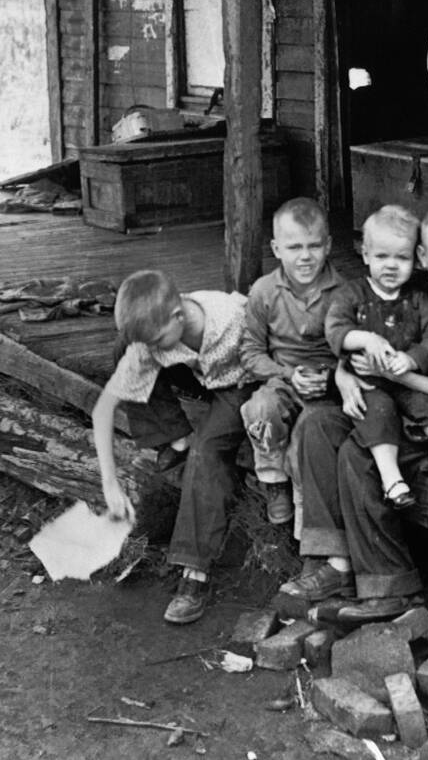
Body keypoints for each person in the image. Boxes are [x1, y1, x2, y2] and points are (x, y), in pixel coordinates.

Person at [295, 199, 428, 622]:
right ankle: (334, 560)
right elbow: (355, 332)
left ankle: (391, 586)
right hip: (393, 404)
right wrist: (343, 374)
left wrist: (395, 375)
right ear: (422, 258)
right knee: (319, 423)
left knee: (357, 455)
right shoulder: (410, 288)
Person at [91, 269, 254, 626]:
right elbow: (103, 409)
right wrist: (109, 482)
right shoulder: (158, 337)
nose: (150, 349)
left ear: (179, 315)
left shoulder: (236, 321)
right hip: (196, 372)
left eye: (158, 340)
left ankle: (193, 573)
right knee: (126, 352)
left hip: (240, 380)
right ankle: (173, 435)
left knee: (208, 449)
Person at [325, 205, 428, 511]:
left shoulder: (419, 299)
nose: (391, 266)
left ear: (415, 258)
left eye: (401, 257)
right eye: (382, 257)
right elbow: (335, 330)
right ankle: (392, 479)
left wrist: (412, 359)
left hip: (403, 376)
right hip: (368, 382)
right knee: (378, 412)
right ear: (365, 254)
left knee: (424, 402)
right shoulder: (352, 294)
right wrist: (366, 338)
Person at [240, 197, 345, 526]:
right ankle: (273, 481)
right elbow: (250, 352)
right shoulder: (264, 291)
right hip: (282, 381)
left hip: (327, 388)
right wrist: (286, 374)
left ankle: (306, 522)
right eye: (294, 247)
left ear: (328, 245)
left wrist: (329, 379)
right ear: (275, 248)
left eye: (314, 246)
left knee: (307, 438)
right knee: (260, 410)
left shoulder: (343, 292)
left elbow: (352, 354)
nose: (304, 256)